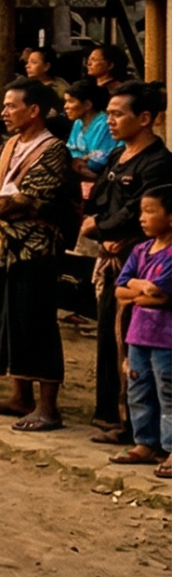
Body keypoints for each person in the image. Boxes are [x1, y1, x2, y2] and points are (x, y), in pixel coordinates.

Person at [0, 78, 80, 432]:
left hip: (35, 248)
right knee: (8, 320)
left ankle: (48, 407)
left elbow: (31, 197)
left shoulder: (54, 150)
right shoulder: (11, 144)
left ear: (33, 110)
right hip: (4, 247)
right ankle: (20, 396)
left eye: (11, 106)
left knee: (37, 323)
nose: (4, 112)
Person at [82, 82, 172, 445]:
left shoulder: (159, 162)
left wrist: (105, 228)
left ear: (145, 118)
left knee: (132, 342)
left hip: (140, 257)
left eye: (118, 114)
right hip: (111, 257)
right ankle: (112, 415)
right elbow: (99, 200)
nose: (110, 121)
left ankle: (139, 429)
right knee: (110, 336)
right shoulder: (117, 156)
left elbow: (138, 210)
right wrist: (98, 227)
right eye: (109, 114)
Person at [108, 185, 172, 475]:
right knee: (139, 388)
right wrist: (139, 287)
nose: (142, 218)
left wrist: (136, 289)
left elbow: (161, 294)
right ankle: (145, 442)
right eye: (141, 212)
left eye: (149, 212)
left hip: (166, 338)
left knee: (168, 392)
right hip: (138, 335)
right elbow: (120, 289)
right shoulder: (140, 250)